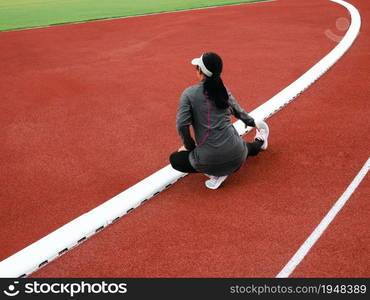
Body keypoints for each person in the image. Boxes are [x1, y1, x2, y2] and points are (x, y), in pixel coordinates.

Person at [169, 52, 269, 189]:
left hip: (208, 160)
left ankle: (216, 174)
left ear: (200, 71)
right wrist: (251, 122)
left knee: (176, 160)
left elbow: (182, 124)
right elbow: (238, 111)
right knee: (244, 147)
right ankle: (261, 142)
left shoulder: (189, 94)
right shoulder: (223, 91)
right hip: (237, 156)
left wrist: (189, 146)